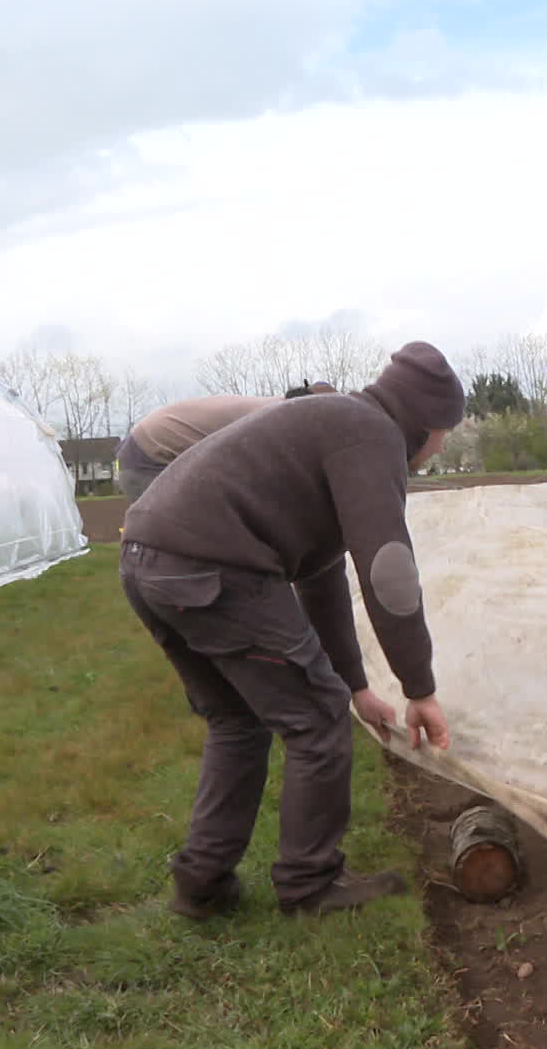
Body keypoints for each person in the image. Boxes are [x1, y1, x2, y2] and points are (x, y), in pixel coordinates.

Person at [118, 342, 463, 919]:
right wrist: (419, 689)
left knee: (239, 719)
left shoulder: (334, 426)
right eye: (446, 432)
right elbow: (389, 572)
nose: (444, 445)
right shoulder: (371, 436)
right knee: (316, 719)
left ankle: (201, 885)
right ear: (427, 423)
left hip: (147, 562)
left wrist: (356, 684)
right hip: (215, 569)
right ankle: (310, 885)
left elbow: (321, 578)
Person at [114, 381, 337, 501]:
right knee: (185, 536)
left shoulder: (274, 410)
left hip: (149, 450)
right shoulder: (273, 420)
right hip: (147, 459)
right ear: (308, 409)